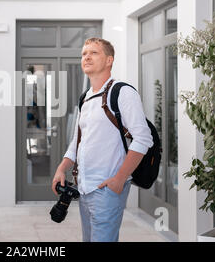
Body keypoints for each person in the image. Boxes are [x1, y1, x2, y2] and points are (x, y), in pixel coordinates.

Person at [51, 37, 153, 242]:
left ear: (109, 60)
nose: (87, 56)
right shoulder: (86, 98)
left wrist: (119, 179)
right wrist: (62, 168)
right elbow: (77, 140)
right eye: (84, 53)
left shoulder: (122, 92)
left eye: (94, 52)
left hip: (107, 189)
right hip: (84, 188)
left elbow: (143, 139)